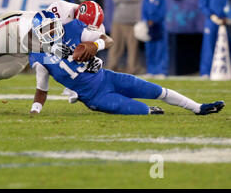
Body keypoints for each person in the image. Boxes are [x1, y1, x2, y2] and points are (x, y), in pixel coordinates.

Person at [28, 10, 225, 116]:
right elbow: (41, 92)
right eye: (48, 29)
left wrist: (94, 46)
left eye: (54, 25)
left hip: (108, 78)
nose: (54, 31)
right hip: (96, 98)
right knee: (145, 112)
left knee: (157, 90)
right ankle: (149, 111)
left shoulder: (73, 28)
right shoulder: (40, 58)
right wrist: (34, 111)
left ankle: (198, 108)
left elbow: (108, 40)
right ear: (40, 35)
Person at [107, 0, 145, 74]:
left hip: (133, 21)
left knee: (133, 48)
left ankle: (132, 69)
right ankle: (111, 67)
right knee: (115, 47)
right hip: (118, 20)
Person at [198, 0, 230, 77]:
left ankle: (227, 71)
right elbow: (202, 5)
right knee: (209, 46)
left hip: (227, 20)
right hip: (212, 21)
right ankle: (206, 72)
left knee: (228, 45)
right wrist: (212, 16)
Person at [141, 0, 169, 77]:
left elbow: (163, 12)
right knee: (150, 50)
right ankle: (151, 71)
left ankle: (161, 71)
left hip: (159, 27)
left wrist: (154, 20)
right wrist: (146, 21)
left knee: (160, 50)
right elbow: (143, 12)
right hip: (149, 28)